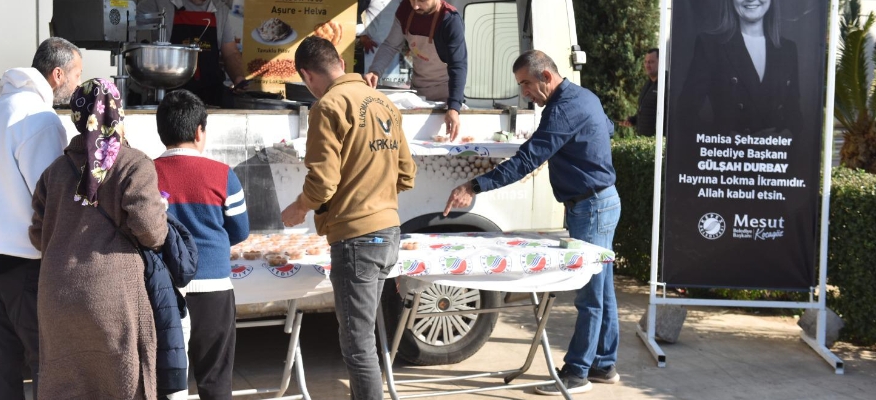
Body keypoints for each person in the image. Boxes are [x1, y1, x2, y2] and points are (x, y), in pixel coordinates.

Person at [443, 50, 621, 396]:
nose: (524, 91)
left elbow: (528, 159)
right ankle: (604, 364)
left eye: (526, 83)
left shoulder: (563, 108)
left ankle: (578, 372)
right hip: (598, 201)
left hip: (592, 207)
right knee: (602, 289)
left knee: (589, 293)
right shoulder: (584, 97)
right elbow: (607, 127)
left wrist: (474, 185)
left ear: (547, 77)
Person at [281, 36, 416, 400]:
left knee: (358, 348)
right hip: (389, 231)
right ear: (339, 61)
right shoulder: (384, 102)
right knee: (367, 340)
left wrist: (298, 208)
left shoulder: (327, 106)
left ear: (308, 77)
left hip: (356, 239)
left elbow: (323, 183)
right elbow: (407, 174)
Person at [29, 78, 169, 399]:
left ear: (77, 117)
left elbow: (39, 235)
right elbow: (152, 232)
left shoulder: (54, 172)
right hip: (112, 296)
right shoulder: (133, 164)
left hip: (56, 296)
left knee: (67, 383)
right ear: (117, 112)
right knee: (121, 383)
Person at [0, 37, 83, 400]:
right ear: (58, 74)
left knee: (3, 361)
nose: (79, 84)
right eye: (78, 75)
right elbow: (50, 194)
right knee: (48, 358)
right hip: (22, 260)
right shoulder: (40, 119)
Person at [154, 89, 250, 400]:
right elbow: (239, 230)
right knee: (216, 380)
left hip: (161, 291)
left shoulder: (144, 173)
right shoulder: (223, 175)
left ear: (161, 132)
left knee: (165, 381)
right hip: (214, 289)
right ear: (199, 131)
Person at [677, 0, 800, 136]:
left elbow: (795, 114)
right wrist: (725, 139)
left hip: (775, 158)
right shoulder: (710, 45)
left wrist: (786, 135)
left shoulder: (788, 49)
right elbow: (685, 113)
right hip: (730, 158)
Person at [364, 0, 468, 141]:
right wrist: (375, 70)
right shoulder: (405, 9)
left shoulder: (450, 20)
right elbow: (390, 45)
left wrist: (454, 108)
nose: (416, 6)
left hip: (446, 95)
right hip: (418, 93)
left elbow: (458, 65)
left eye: (422, 1)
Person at [138, 0, 246, 106]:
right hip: (171, 95)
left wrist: (238, 78)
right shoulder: (160, 1)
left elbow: (231, 52)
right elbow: (134, 36)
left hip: (210, 95)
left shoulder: (219, 10)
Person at [357, 0, 411, 82]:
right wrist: (363, 36)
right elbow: (355, 10)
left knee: (390, 84)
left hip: (392, 50)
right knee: (370, 83)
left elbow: (405, 21)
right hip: (372, 47)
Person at [620, 48, 659, 136]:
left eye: (651, 62)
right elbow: (647, 111)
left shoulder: (666, 84)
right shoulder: (647, 84)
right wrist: (632, 120)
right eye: (646, 62)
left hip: (658, 142)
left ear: (660, 62)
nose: (647, 65)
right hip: (644, 140)